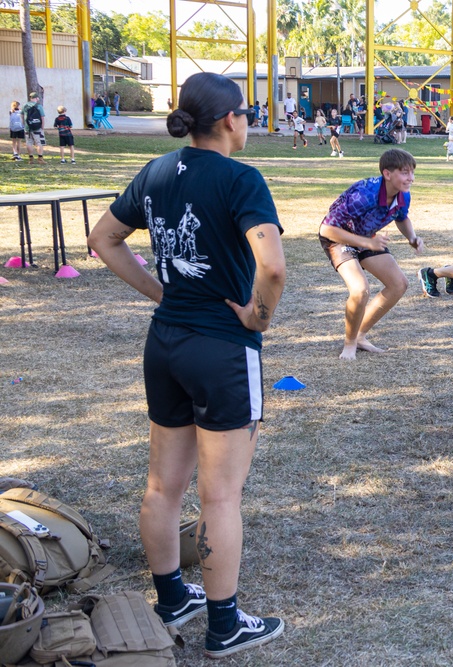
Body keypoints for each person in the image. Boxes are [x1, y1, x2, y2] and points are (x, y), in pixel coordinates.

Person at [87, 71, 286, 660]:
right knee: (221, 496)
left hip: (166, 342)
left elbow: (104, 239)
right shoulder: (240, 178)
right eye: (247, 113)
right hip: (222, 347)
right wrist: (259, 317)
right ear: (230, 120)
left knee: (162, 485)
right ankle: (224, 625)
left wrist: (158, 292)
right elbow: (272, 267)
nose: (248, 122)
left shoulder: (155, 171)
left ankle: (173, 598)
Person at [318, 149, 425, 360]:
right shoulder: (364, 195)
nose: (410, 178)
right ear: (387, 174)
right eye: (404, 173)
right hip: (339, 238)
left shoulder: (403, 194)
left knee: (398, 284)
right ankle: (349, 345)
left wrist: (412, 238)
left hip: (367, 237)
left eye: (412, 172)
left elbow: (401, 217)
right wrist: (366, 242)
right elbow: (326, 229)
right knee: (360, 290)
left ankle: (359, 335)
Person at [21, 92, 45, 163]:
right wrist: (42, 127)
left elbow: (22, 116)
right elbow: (42, 117)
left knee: (29, 142)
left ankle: (31, 158)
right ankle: (40, 158)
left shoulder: (25, 105)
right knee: (39, 142)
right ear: (37, 98)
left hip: (27, 127)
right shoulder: (39, 106)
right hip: (37, 127)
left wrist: (24, 124)